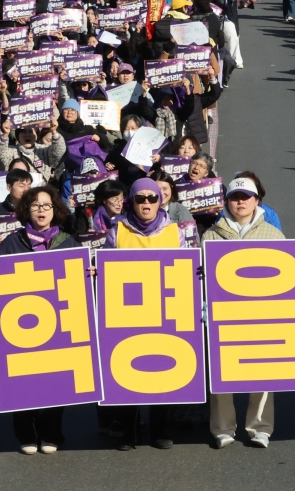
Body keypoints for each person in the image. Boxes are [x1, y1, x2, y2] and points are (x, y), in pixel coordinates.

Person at [104, 177, 189, 450]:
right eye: (140, 198)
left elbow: (186, 268)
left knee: (161, 369)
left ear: (160, 201)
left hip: (164, 311)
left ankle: (159, 429)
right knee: (126, 370)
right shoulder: (117, 232)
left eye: (152, 198)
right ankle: (128, 431)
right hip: (127, 311)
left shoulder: (175, 232)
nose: (147, 203)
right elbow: (105, 267)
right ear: (131, 202)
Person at [0, 187, 81, 454]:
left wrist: (86, 274)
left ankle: (51, 433)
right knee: (23, 378)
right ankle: (27, 435)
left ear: (55, 210)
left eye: (46, 205)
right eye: (35, 205)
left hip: (58, 323)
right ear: (26, 210)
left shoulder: (68, 242)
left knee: (56, 378)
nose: (41, 210)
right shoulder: (12, 243)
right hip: (21, 323)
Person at [202, 176, 282, 449]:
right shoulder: (210, 235)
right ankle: (223, 429)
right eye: (235, 197)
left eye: (246, 197)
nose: (240, 202)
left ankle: (260, 428)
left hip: (261, 315)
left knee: (263, 371)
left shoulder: (273, 234)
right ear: (227, 202)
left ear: (256, 201)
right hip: (223, 316)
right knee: (221, 371)